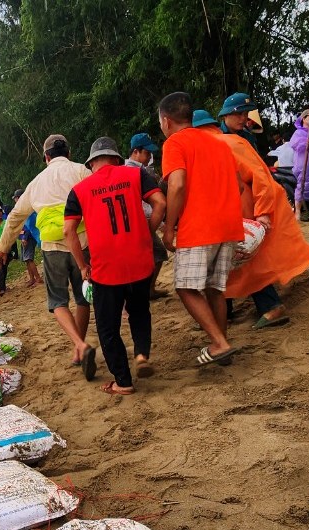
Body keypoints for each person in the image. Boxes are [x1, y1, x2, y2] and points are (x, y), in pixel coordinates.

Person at [64, 137, 167, 395]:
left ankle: (123, 381)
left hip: (106, 268)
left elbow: (69, 232)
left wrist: (83, 265)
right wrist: (147, 233)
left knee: (108, 327)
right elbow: (161, 204)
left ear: (91, 163)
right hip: (140, 262)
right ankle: (142, 355)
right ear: (117, 159)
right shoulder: (135, 175)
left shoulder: (79, 190)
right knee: (139, 311)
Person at [0, 134, 95, 376]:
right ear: (68, 153)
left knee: (58, 301)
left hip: (52, 248)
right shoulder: (82, 171)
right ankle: (78, 347)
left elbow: (16, 217)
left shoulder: (36, 183)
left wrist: (2, 249)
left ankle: (80, 346)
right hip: (82, 243)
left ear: (46, 157)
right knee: (83, 298)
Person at [215, 97, 309, 329]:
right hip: (239, 207)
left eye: (246, 114)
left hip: (248, 208)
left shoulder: (235, 141)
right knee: (232, 260)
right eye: (240, 114)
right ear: (224, 116)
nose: (245, 119)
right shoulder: (225, 141)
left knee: (244, 259)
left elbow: (259, 177)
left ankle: (270, 307)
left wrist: (261, 212)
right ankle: (226, 311)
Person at [157, 92, 243, 366]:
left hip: (199, 226)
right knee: (215, 288)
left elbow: (178, 185)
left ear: (166, 121)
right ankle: (222, 343)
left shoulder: (174, 143)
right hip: (228, 224)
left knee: (185, 286)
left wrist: (169, 228)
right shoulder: (218, 142)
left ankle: (218, 342)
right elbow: (240, 185)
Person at [125, 132, 169, 299]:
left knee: (157, 254)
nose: (150, 156)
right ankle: (143, 291)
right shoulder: (133, 172)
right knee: (153, 254)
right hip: (140, 221)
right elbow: (145, 203)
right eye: (147, 152)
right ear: (136, 151)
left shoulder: (140, 170)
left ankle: (147, 290)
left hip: (144, 220)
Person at [21, 212, 42, 287]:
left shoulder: (26, 212)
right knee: (27, 260)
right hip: (26, 238)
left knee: (29, 259)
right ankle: (32, 278)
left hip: (28, 239)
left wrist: (24, 237)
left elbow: (28, 226)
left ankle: (37, 278)